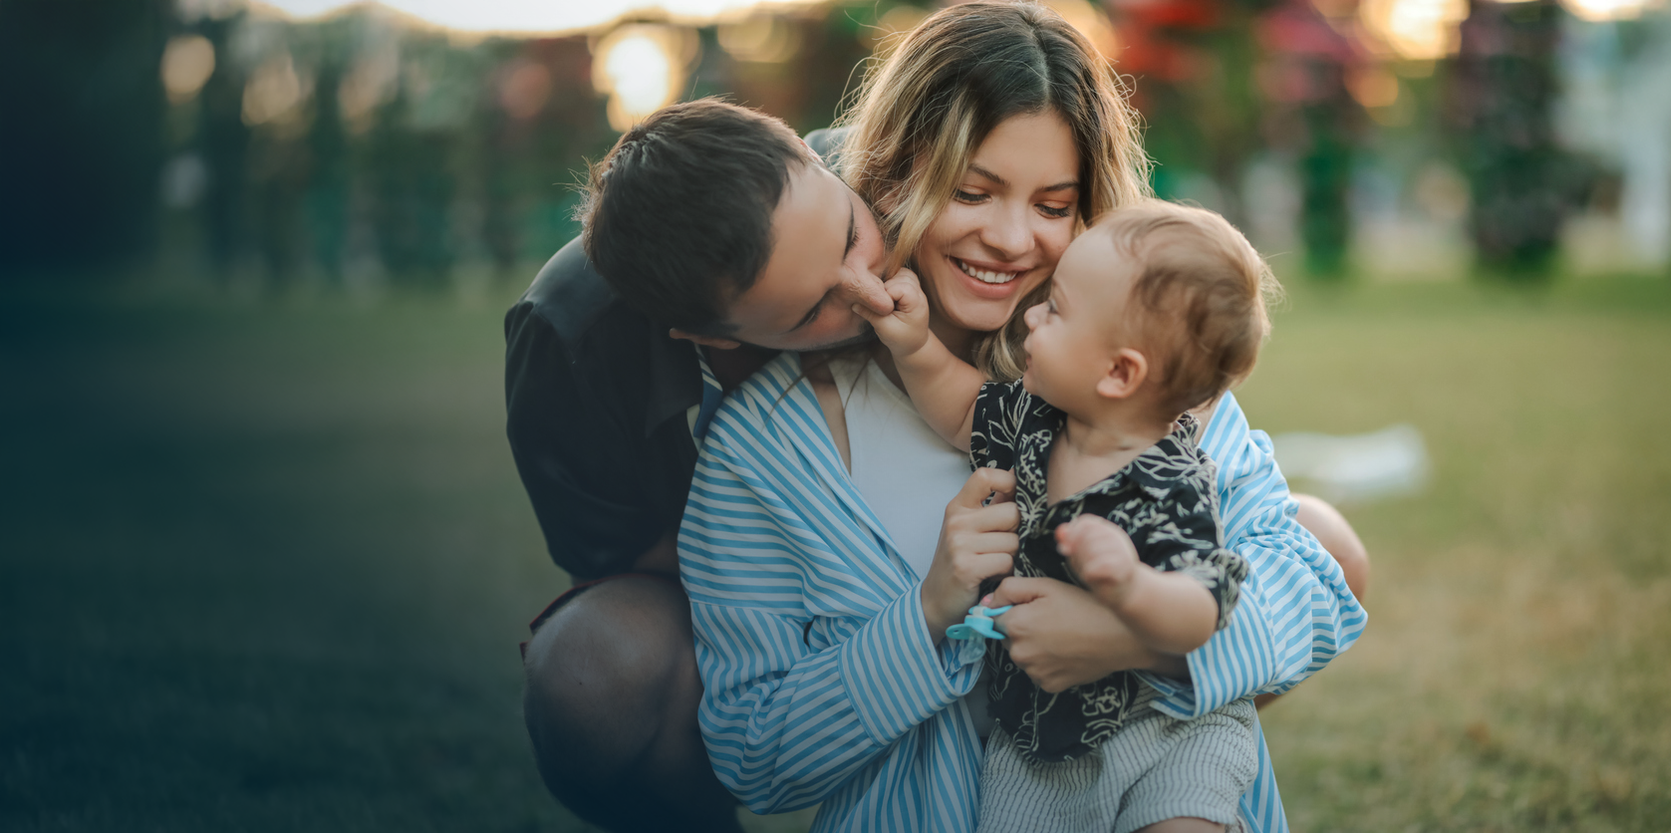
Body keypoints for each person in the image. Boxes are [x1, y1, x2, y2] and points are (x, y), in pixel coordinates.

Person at [507, 9, 1368, 833]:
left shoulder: (1132, 366)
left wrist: (1130, 641)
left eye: (1054, 204)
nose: (1008, 237)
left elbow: (1316, 586)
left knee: (1305, 533)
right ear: (893, 172)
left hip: (1156, 781)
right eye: (971, 190)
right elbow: (751, 750)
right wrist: (925, 617)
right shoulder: (766, 443)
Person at [858, 199, 1280, 832]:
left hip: (1169, 729)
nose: (1031, 314)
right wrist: (916, 347)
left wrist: (1134, 588)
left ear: (1118, 372)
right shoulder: (1037, 420)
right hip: (1036, 742)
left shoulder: (1172, 482)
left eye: (1054, 309)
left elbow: (1203, 609)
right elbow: (958, 405)